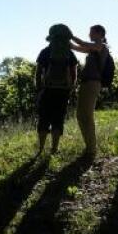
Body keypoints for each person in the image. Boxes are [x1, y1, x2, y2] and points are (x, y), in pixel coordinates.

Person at [35, 24, 79, 155]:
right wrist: (70, 88)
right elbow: (74, 73)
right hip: (62, 91)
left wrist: (38, 89)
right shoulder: (70, 53)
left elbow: (38, 72)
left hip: (47, 89)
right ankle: (54, 149)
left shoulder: (45, 51)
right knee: (58, 119)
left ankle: (41, 149)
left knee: (43, 119)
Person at [71, 25, 109, 157]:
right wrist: (64, 40)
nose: (89, 35)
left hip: (93, 82)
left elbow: (81, 43)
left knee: (86, 115)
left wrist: (70, 35)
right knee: (81, 115)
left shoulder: (101, 46)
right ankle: (89, 146)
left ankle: (91, 149)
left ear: (100, 34)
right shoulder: (93, 49)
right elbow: (76, 47)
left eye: (91, 32)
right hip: (87, 82)